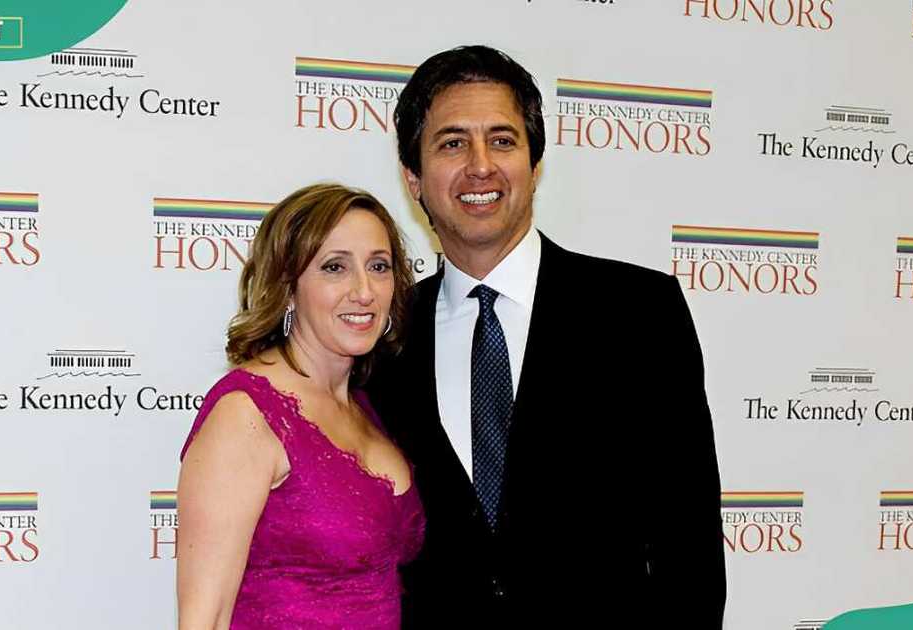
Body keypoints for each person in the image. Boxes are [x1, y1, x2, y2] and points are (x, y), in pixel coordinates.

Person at [368, 45, 726, 627]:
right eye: (452, 143)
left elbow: (690, 548)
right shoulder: (383, 339)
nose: (479, 165)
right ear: (413, 177)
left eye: (503, 140)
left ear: (535, 166)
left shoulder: (640, 313)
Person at [176, 183, 424, 629]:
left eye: (379, 266)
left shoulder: (366, 407)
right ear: (287, 287)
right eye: (335, 268)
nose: (364, 291)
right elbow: (204, 620)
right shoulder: (247, 414)